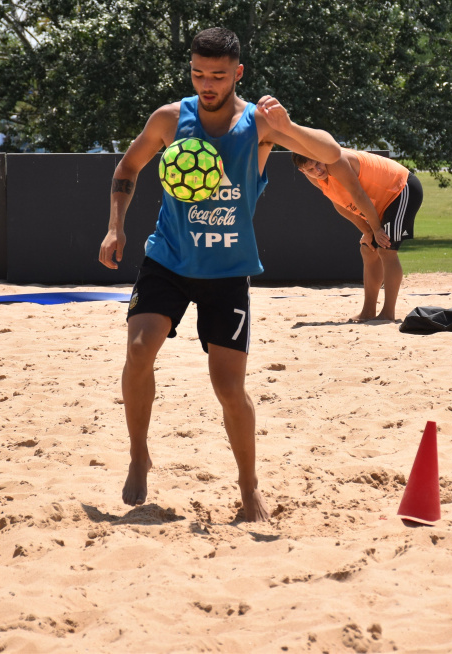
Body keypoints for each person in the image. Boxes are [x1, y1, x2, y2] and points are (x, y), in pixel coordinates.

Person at [98, 27, 341, 522]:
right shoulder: (170, 119)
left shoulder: (259, 123)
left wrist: (289, 127)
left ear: (237, 74)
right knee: (139, 351)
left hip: (228, 270)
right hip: (168, 259)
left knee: (228, 387)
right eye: (198, 74)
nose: (206, 84)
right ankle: (139, 454)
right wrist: (115, 226)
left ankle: (249, 487)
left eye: (217, 75)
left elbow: (331, 153)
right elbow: (127, 168)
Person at [292, 149, 423, 321]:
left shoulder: (335, 162)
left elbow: (358, 195)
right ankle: (368, 311)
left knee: (386, 249)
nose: (317, 170)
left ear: (321, 156)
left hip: (401, 188)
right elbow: (339, 203)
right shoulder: (314, 176)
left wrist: (376, 229)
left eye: (318, 163)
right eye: (310, 169)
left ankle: (387, 313)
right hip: (381, 200)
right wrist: (367, 231)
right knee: (368, 250)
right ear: (302, 171)